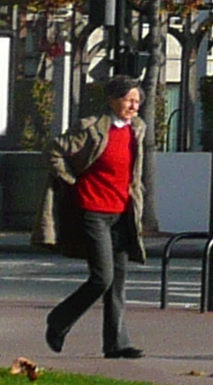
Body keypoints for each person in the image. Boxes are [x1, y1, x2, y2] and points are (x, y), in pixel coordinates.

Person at [45, 76, 149, 359]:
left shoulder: (137, 130)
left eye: (137, 100)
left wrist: (139, 205)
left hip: (122, 213)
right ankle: (58, 321)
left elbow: (134, 174)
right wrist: (70, 181)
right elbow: (55, 150)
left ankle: (116, 344)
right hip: (93, 211)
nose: (134, 105)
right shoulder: (91, 129)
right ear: (113, 100)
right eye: (129, 99)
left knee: (118, 282)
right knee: (102, 277)